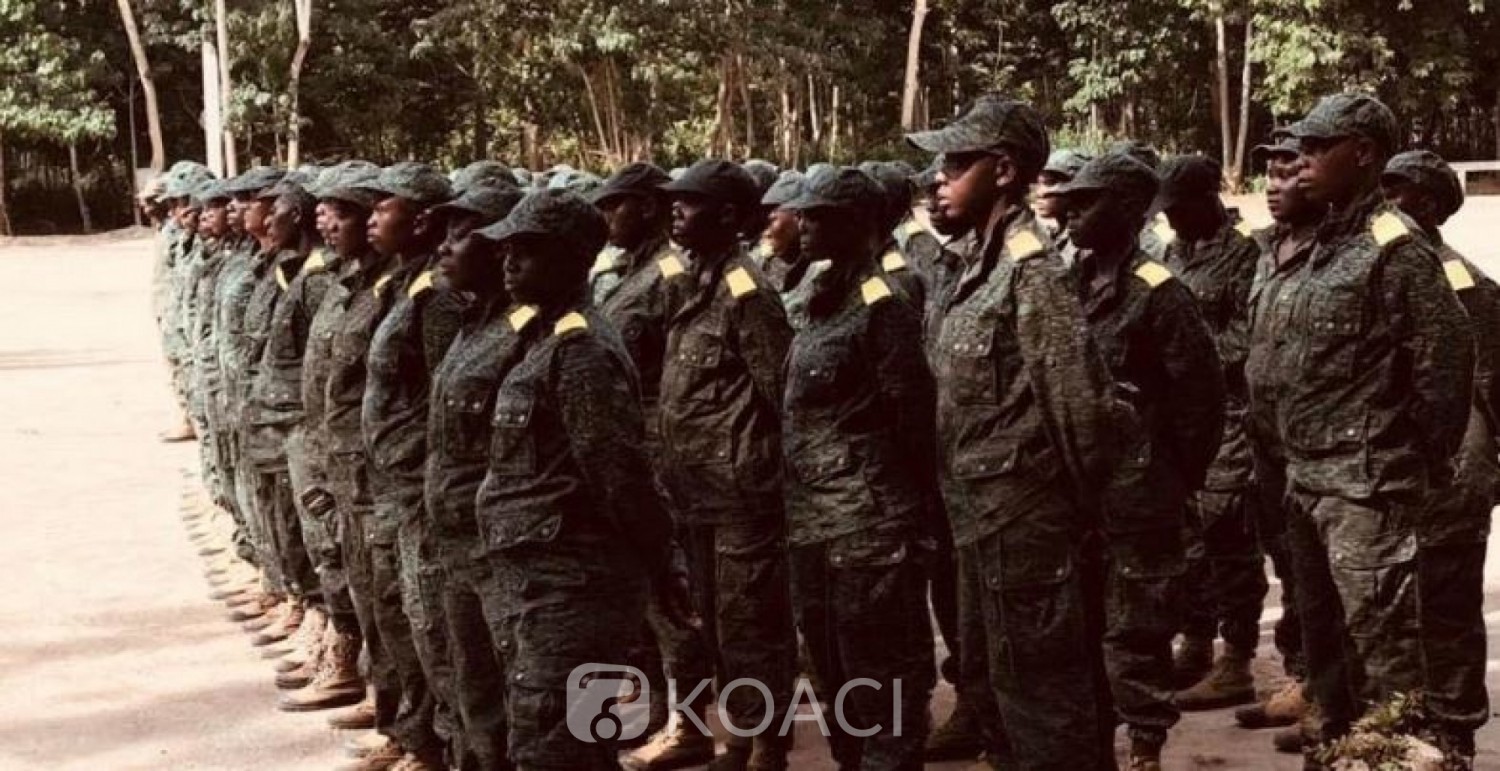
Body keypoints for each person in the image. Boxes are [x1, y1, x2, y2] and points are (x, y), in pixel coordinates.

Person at [906, 94, 1119, 771]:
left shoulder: (1031, 269)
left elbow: (1078, 406)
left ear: (1002, 169)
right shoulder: (981, 260)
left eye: (956, 162)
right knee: (999, 692)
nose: (939, 177)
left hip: (1026, 524)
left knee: (1045, 703)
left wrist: (1069, 517)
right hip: (982, 520)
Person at [1277, 93, 1473, 758]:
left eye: (1316, 147)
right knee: (1325, 651)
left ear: (1362, 153)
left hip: (1367, 491)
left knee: (1386, 662)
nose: (1300, 160)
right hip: (1308, 484)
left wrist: (1410, 461)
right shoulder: (1322, 243)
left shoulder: (1395, 247)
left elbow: (1446, 364)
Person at [469, 189, 685, 770]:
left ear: (571, 260)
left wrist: (662, 564)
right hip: (540, 586)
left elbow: (620, 478)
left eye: (529, 252)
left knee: (556, 748)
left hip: (575, 588)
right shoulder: (543, 338)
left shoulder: (583, 351)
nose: (510, 262)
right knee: (563, 743)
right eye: (509, 250)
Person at [1044, 153, 1225, 771]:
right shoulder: (1067, 281)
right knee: (1079, 629)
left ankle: (1145, 751)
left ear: (1126, 210)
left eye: (1086, 201)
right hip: (1076, 493)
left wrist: (1168, 477)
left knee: (1136, 636)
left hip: (1140, 493)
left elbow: (1200, 401)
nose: (1070, 211)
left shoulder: (1160, 292)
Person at [778, 164, 939, 770]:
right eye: (804, 213)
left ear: (859, 223)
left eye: (819, 216)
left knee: (880, 680)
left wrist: (904, 511)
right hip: (816, 524)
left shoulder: (882, 302)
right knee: (834, 674)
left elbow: (911, 416)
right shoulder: (823, 293)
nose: (804, 224)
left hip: (870, 527)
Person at [657, 160, 797, 771]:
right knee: (715, 624)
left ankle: (766, 744)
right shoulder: (696, 279)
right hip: (697, 492)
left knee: (751, 627)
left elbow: (778, 393)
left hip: (742, 492)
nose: (676, 212)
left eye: (689, 203)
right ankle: (740, 735)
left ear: (730, 216)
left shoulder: (747, 291)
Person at [587, 162, 719, 771]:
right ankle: (654, 708)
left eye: (615, 204)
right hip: (632, 448)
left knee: (673, 593)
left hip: (663, 449)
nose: (605, 215)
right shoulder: (627, 272)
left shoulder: (669, 274)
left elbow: (691, 365)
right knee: (640, 592)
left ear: (644, 206)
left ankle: (691, 724)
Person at [1381, 149, 1495, 764]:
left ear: (1426, 204)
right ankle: (1401, 722)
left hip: (1452, 463)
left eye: (1396, 192)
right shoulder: (1385, 268)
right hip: (1402, 461)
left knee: (1446, 603)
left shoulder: (1458, 280)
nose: (1384, 203)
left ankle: (1453, 731)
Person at [353, 161, 457, 771]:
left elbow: (446, 403)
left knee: (430, 621)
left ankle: (438, 742)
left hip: (419, 483)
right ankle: (417, 729)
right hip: (389, 475)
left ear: (421, 221)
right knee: (399, 610)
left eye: (382, 209)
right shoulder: (402, 284)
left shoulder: (437, 298)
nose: (372, 219)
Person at [1153, 155, 1267, 711]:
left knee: (1230, 540)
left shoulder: (1245, 256)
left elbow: (1249, 337)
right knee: (1188, 538)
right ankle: (1196, 643)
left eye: (1177, 209)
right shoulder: (1174, 253)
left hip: (1230, 419)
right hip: (1182, 420)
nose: (1170, 221)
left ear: (1207, 201)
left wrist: (1183, 360)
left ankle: (1238, 660)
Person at [422, 185, 526, 770]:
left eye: (460, 236)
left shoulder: (528, 337)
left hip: (504, 554)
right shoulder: (472, 325)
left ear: (499, 249)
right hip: (456, 541)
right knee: (474, 692)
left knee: (523, 703)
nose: (443, 248)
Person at [1238, 130, 1317, 742]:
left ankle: (1331, 697)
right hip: (1269, 441)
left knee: (1331, 582)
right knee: (1291, 567)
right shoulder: (1268, 250)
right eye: (1268, 173)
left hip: (1322, 448)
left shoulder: (1337, 251)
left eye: (1288, 173)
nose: (1273, 184)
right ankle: (1303, 679)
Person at [1034, 149, 1090, 266]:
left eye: (1050, 183)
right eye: (1038, 183)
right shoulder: (1047, 234)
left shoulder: (1085, 242)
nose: (1040, 193)